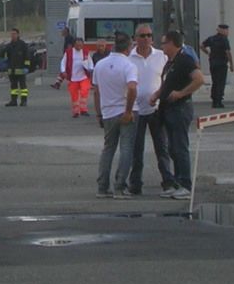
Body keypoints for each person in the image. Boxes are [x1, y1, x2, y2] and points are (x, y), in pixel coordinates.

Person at [150, 29, 205, 200]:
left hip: (180, 108)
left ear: (173, 43)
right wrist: (157, 95)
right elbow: (166, 83)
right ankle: (177, 183)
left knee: (180, 147)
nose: (162, 46)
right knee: (172, 148)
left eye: (164, 42)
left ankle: (186, 185)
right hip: (167, 109)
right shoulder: (170, 63)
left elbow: (199, 79)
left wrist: (181, 93)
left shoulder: (185, 60)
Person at [127, 25, 176, 197]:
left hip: (156, 109)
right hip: (136, 110)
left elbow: (167, 79)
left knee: (162, 147)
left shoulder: (160, 56)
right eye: (142, 35)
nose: (146, 38)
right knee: (136, 149)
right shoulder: (129, 58)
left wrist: (161, 96)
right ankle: (135, 183)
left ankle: (167, 180)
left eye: (149, 35)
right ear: (136, 38)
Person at [92, 31, 138, 199]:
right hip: (125, 111)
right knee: (126, 149)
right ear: (128, 47)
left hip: (108, 112)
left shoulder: (100, 65)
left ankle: (102, 187)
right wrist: (128, 110)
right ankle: (120, 186)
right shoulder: (129, 65)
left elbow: (96, 92)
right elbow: (132, 87)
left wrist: (98, 114)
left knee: (108, 148)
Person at [53, 37, 94, 117]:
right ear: (74, 45)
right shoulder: (68, 52)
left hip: (84, 76)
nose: (79, 46)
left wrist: (91, 69)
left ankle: (83, 110)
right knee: (74, 95)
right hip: (73, 78)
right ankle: (76, 111)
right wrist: (63, 71)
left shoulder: (85, 52)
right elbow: (63, 62)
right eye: (77, 44)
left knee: (84, 91)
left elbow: (90, 62)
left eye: (80, 45)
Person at [201, 24, 234, 108]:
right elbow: (228, 52)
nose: (227, 32)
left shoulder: (212, 38)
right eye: (226, 30)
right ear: (222, 30)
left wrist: (208, 53)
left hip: (213, 63)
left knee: (215, 82)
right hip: (222, 64)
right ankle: (218, 101)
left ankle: (214, 100)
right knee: (220, 82)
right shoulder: (224, 39)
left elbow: (202, 46)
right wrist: (231, 64)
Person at [1, 28, 31, 107]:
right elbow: (3, 55)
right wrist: (2, 50)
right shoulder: (9, 45)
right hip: (12, 70)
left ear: (18, 35)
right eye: (12, 34)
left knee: (23, 87)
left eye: (14, 34)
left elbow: (27, 56)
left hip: (21, 69)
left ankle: (24, 101)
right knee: (13, 87)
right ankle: (13, 101)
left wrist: (26, 67)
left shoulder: (22, 45)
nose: (13, 35)